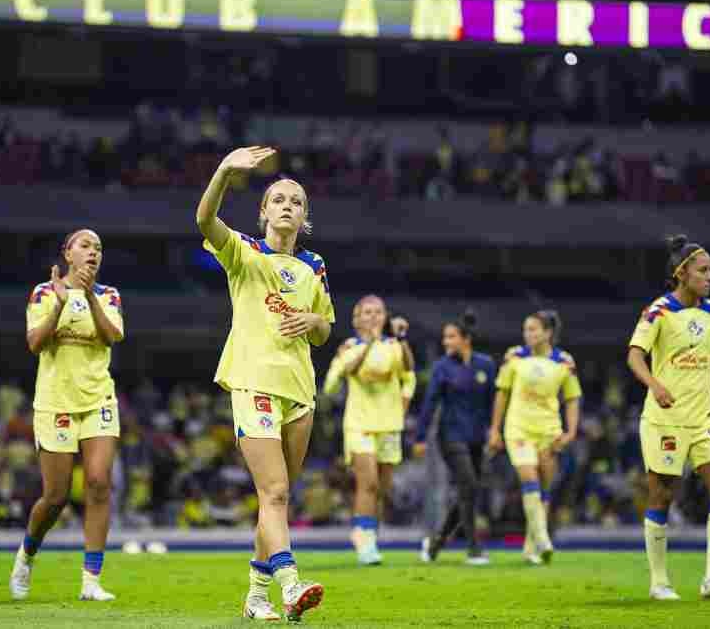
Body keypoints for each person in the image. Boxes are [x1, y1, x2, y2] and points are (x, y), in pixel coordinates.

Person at [196, 146, 335, 622]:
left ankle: (256, 596)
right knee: (273, 492)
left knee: (276, 498)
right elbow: (204, 220)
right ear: (263, 212)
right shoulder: (245, 253)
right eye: (278, 199)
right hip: (253, 381)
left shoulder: (314, 266)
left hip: (300, 390)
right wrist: (223, 173)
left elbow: (324, 332)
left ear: (304, 218)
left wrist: (315, 317)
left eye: (296, 202)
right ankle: (290, 583)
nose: (287, 206)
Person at [627, 235, 710, 601]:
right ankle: (659, 582)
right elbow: (634, 356)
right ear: (682, 273)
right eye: (703, 270)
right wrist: (655, 384)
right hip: (665, 420)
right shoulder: (658, 311)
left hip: (703, 418)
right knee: (662, 496)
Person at [10, 228, 124, 602]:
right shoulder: (43, 293)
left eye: (99, 248)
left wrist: (88, 296)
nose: (94, 252)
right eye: (86, 245)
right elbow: (34, 343)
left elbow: (112, 336)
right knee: (56, 496)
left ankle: (91, 580)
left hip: (98, 400)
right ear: (68, 254)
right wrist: (60, 304)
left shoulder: (108, 295)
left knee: (98, 483)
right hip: (56, 401)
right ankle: (26, 555)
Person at [323, 295, 416, 565]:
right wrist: (370, 344)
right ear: (356, 319)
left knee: (382, 488)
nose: (373, 317)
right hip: (359, 424)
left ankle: (368, 535)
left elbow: (408, 371)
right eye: (367, 312)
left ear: (385, 317)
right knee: (369, 482)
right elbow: (335, 381)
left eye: (378, 312)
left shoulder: (394, 346)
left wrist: (401, 338)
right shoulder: (349, 347)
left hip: (388, 424)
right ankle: (362, 539)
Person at [487, 310, 581, 565]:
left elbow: (572, 398)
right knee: (528, 476)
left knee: (544, 487)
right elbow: (502, 393)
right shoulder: (514, 356)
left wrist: (571, 431)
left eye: (533, 329)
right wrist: (495, 429)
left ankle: (531, 547)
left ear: (547, 333)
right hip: (518, 428)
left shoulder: (564, 361)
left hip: (549, 430)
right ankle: (543, 539)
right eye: (526, 329)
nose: (527, 334)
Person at [413, 311, 496, 565]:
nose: (446, 342)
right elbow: (430, 402)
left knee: (467, 491)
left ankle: (437, 542)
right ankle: (474, 548)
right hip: (450, 436)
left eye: (451, 337)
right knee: (469, 486)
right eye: (444, 337)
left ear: (466, 338)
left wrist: (495, 430)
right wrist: (420, 437)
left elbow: (494, 402)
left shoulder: (486, 365)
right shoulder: (442, 367)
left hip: (477, 437)